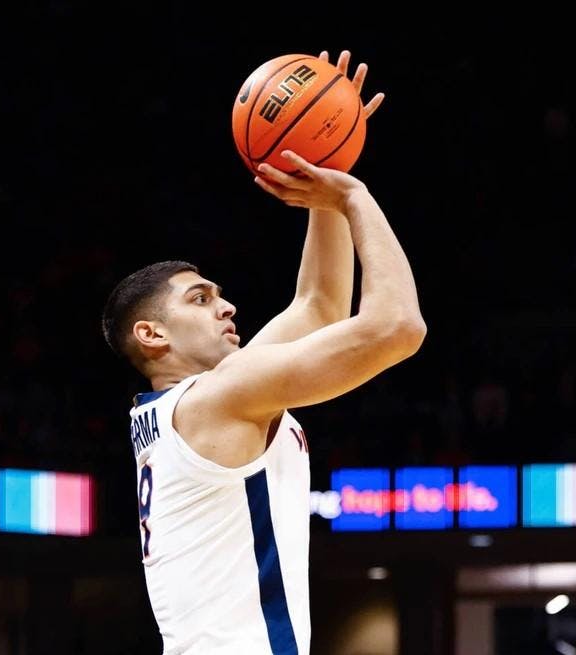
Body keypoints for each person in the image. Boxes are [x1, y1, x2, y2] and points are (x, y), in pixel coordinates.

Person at [101, 50, 426, 655]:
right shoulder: (218, 397)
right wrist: (353, 197)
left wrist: (326, 168)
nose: (227, 308)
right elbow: (398, 327)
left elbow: (320, 307)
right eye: (200, 300)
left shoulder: (191, 404)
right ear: (152, 335)